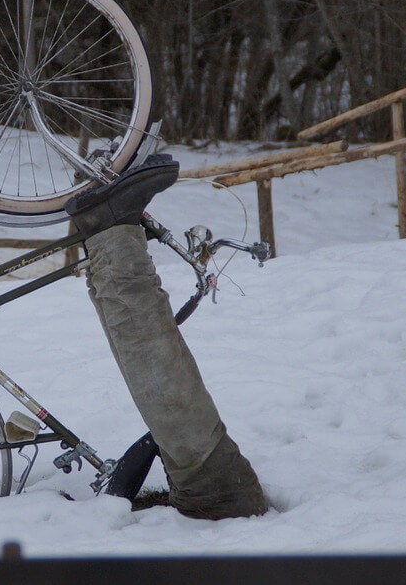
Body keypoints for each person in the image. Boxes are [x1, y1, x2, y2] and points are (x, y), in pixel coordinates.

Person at [64, 154, 267, 520]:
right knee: (133, 302)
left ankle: (106, 233)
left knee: (129, 300)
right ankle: (108, 231)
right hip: (227, 497)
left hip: (217, 499)